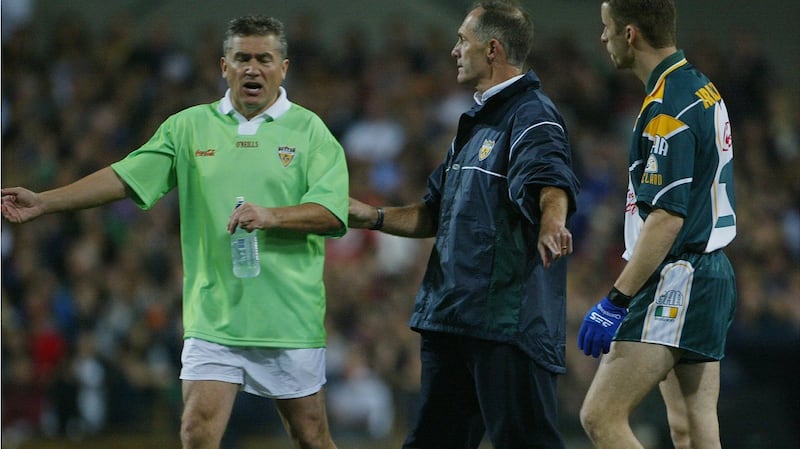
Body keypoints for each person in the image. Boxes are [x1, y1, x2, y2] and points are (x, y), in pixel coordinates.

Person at [2, 15, 349, 449]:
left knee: (311, 437)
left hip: (287, 319)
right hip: (213, 317)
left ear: (284, 67)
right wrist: (47, 201)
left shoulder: (311, 132)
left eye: (264, 58)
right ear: (224, 66)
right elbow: (125, 177)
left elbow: (333, 213)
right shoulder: (188, 127)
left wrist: (273, 217)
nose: (252, 68)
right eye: (241, 58)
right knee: (196, 433)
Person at [349, 1, 580, 448]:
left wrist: (553, 223)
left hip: (504, 324)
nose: (455, 50)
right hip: (453, 319)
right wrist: (372, 216)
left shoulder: (532, 113)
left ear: (492, 49)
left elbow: (550, 179)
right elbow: (433, 212)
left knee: (525, 442)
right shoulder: (474, 125)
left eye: (462, 40)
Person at [577, 1, 737, 449]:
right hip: (711, 272)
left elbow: (666, 218)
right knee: (692, 425)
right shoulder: (701, 86)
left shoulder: (670, 104)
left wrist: (615, 299)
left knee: (599, 417)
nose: (601, 38)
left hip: (677, 276)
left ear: (629, 34)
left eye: (605, 28)